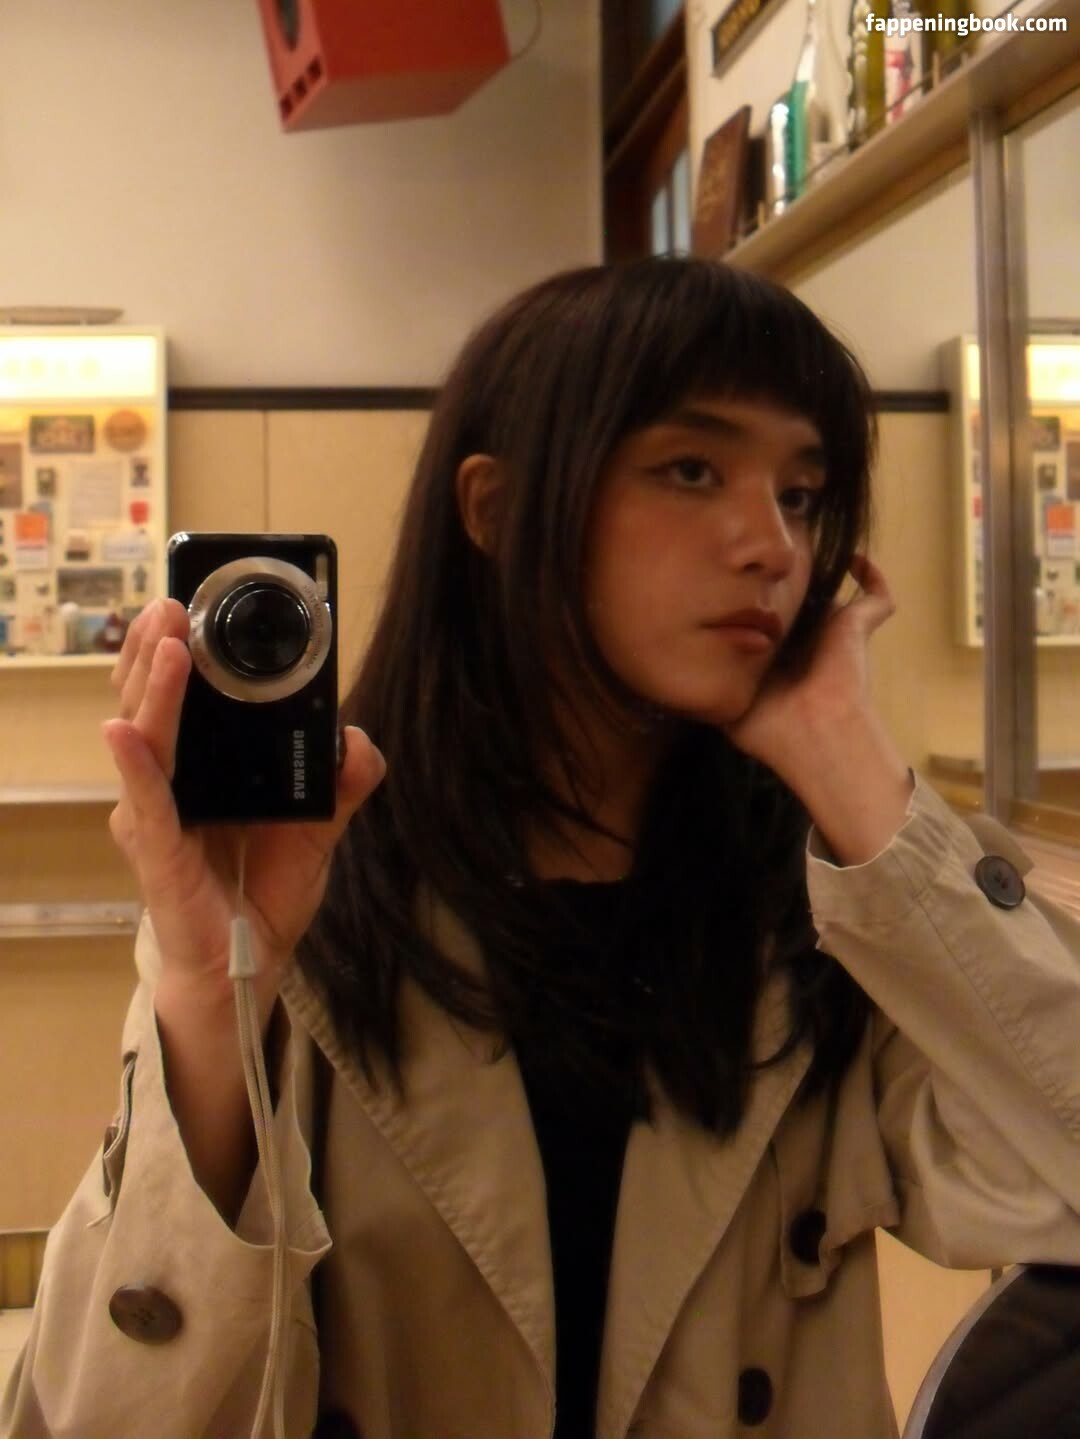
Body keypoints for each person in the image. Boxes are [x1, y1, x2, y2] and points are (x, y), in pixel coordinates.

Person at [4, 257, 1080, 1439]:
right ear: (497, 509)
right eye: (691, 469)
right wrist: (211, 999)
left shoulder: (820, 920)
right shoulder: (312, 892)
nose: (772, 544)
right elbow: (91, 1417)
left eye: (804, 494)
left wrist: (852, 765)